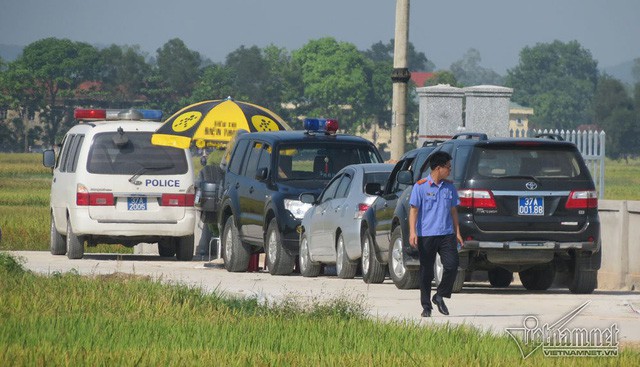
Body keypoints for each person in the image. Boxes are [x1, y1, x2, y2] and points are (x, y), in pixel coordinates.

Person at [409, 151, 464, 317]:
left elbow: (454, 211)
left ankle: (439, 295)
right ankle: (426, 306)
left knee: (452, 265)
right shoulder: (420, 186)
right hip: (426, 234)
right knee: (426, 272)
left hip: (446, 234)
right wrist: (413, 232)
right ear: (438, 168)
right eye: (448, 167)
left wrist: (458, 232)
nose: (449, 170)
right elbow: (414, 211)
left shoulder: (449, 187)